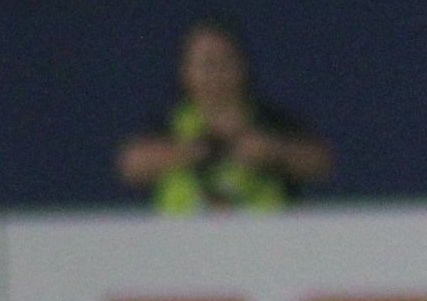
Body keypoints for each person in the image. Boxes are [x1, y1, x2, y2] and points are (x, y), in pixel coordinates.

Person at [116, 20, 333, 212]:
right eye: (207, 64)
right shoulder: (170, 122)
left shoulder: (268, 118)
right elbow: (130, 165)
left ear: (242, 66)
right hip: (181, 240)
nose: (216, 74)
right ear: (185, 71)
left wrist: (273, 151)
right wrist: (186, 152)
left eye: (225, 61)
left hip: (264, 240)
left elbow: (321, 162)